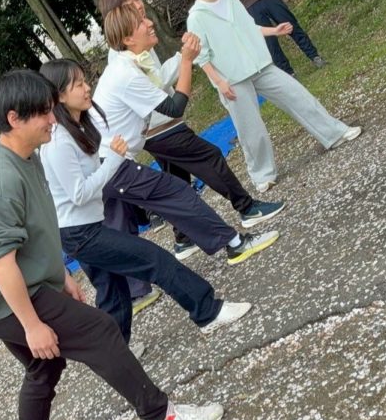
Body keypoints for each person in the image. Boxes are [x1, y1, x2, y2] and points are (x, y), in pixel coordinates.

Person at [0, 69, 225, 420]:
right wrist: (32, 325)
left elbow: (33, 233)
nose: (53, 119)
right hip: (3, 298)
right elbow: (2, 264)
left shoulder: (24, 154)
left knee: (44, 368)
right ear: (14, 118)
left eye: (52, 109)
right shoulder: (0, 180)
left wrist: (60, 274)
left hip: (8, 292)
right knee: (100, 330)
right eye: (44, 113)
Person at [38, 59, 257, 352]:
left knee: (112, 292)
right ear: (60, 96)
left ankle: (115, 353)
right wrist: (113, 160)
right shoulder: (60, 142)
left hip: (84, 228)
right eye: (78, 84)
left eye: (84, 81)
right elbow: (79, 194)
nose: (87, 88)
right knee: (156, 260)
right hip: (80, 233)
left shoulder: (78, 128)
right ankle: (208, 312)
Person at [96, 4, 283, 261]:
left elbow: (161, 92)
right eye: (141, 22)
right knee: (177, 193)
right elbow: (174, 107)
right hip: (110, 161)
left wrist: (184, 58)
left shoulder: (131, 64)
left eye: (145, 17)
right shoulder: (125, 73)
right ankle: (236, 241)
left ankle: (180, 250)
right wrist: (185, 60)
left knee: (125, 229)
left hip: (108, 161)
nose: (149, 23)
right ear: (128, 39)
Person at [186, 0, 363, 192]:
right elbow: (201, 55)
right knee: (251, 129)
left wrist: (274, 31)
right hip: (232, 80)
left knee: (298, 96)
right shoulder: (197, 17)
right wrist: (219, 82)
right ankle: (262, 175)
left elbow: (249, 27)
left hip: (259, 64)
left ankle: (335, 134)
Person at [206, 0, 323, 77]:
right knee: (269, 42)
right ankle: (288, 74)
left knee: (291, 24)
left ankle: (315, 57)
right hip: (249, 6)